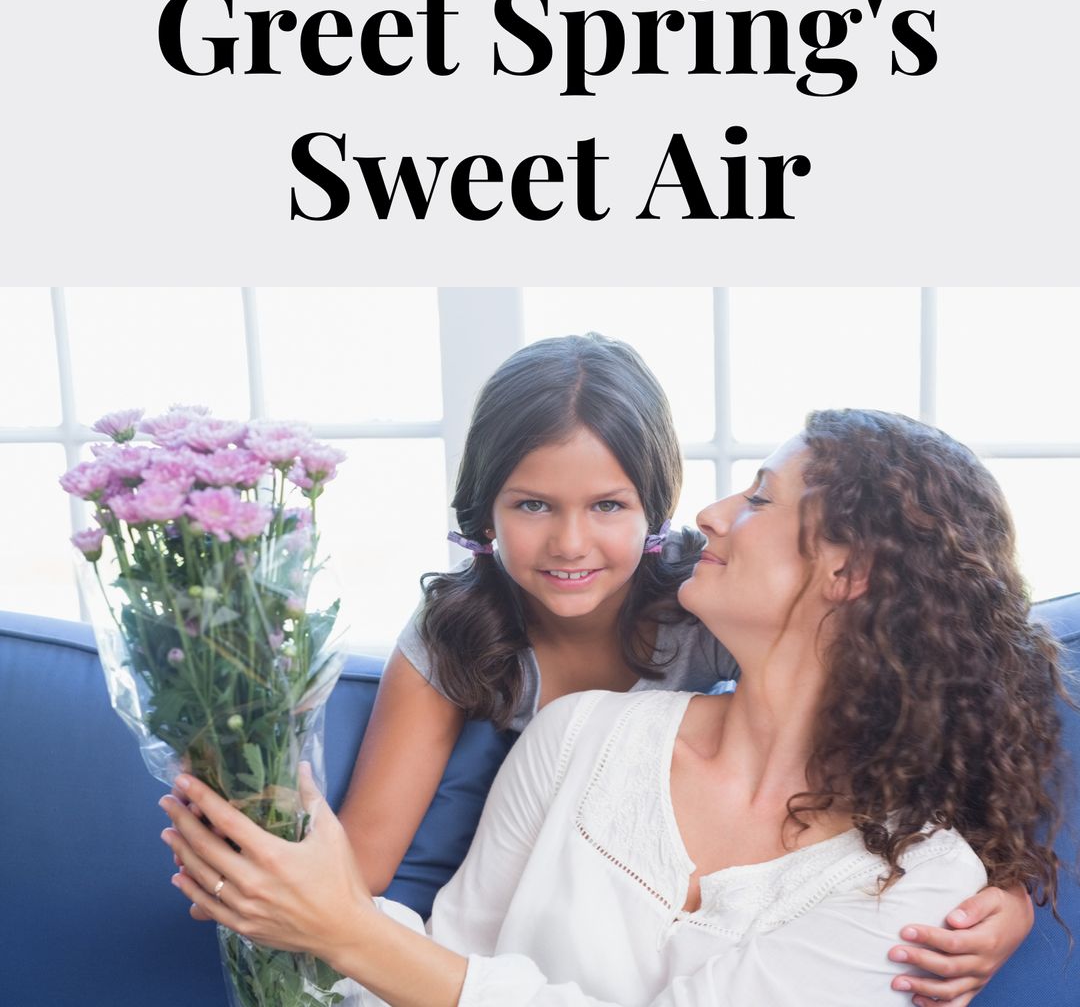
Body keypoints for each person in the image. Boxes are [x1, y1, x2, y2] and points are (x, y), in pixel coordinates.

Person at [160, 408, 1068, 1005]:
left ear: (847, 571)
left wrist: (347, 929)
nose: (712, 516)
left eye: (760, 498)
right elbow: (440, 962)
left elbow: (422, 973)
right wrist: (277, 858)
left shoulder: (921, 881)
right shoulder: (579, 734)